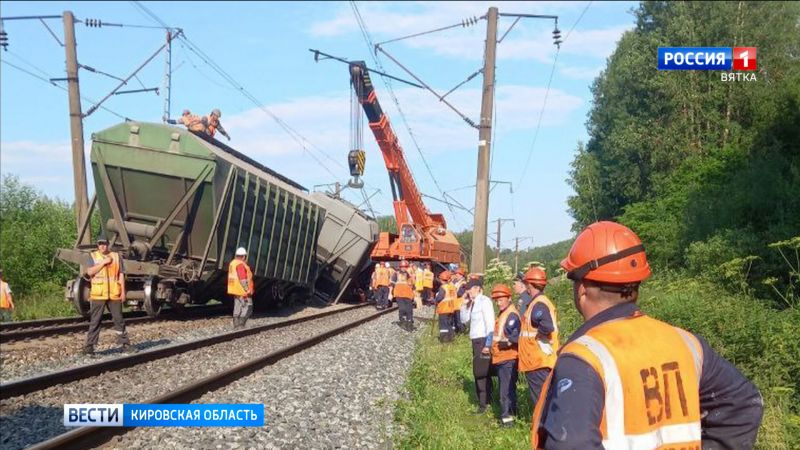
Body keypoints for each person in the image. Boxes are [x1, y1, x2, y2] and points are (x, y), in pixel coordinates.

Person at [531, 221, 763, 449]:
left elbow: (573, 444)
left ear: (581, 289)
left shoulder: (585, 357)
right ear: (636, 284)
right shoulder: (686, 343)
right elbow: (744, 404)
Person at [83, 234, 131, 355]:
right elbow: (90, 271)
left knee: (119, 320)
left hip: (114, 294)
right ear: (97, 245)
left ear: (108, 244)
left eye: (104, 243)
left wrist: (123, 292)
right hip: (98, 295)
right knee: (95, 321)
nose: (102, 246)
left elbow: (121, 274)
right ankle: (89, 347)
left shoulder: (116, 256)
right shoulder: (93, 256)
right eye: (100, 244)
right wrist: (104, 262)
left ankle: (125, 344)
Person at [518, 266, 559, 411]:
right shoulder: (540, 302)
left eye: (526, 284)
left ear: (530, 285)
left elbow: (547, 326)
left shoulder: (538, 304)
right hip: (539, 360)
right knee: (546, 398)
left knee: (541, 403)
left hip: (537, 361)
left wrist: (539, 335)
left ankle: (542, 431)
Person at [459, 277, 495, 414]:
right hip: (475, 341)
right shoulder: (472, 303)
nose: (468, 291)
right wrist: (464, 304)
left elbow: (490, 323)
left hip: (482, 340)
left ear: (477, 288)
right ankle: (486, 401)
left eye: (470, 288)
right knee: (481, 372)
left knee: (480, 373)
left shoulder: (484, 301)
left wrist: (488, 343)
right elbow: (464, 320)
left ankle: (483, 404)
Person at [488, 283, 521, 427]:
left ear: (508, 298)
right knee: (508, 389)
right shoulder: (504, 313)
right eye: (496, 300)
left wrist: (506, 343)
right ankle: (512, 416)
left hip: (507, 358)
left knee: (505, 391)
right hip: (501, 358)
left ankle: (507, 421)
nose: (498, 302)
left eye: (500, 299)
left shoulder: (512, 315)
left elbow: (516, 336)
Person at [228, 247, 254, 330]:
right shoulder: (240, 265)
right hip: (242, 291)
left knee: (238, 306)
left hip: (235, 290)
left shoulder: (233, 263)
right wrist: (247, 289)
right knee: (248, 306)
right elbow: (242, 279)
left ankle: (236, 324)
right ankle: (241, 325)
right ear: (243, 257)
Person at [392, 260, 415, 331]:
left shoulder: (409, 274)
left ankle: (409, 322)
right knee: (402, 308)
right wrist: (390, 293)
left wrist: (414, 294)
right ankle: (402, 319)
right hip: (399, 294)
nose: (404, 268)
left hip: (408, 294)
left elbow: (412, 285)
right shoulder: (396, 274)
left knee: (409, 309)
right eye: (402, 267)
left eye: (405, 267)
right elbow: (392, 284)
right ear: (400, 267)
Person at [434, 270, 456, 343]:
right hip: (452, 308)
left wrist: (436, 299)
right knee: (450, 324)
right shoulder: (452, 287)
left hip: (444, 309)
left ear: (441, 279)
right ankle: (451, 338)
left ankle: (444, 340)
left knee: (443, 326)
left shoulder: (443, 287)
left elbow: (439, 298)